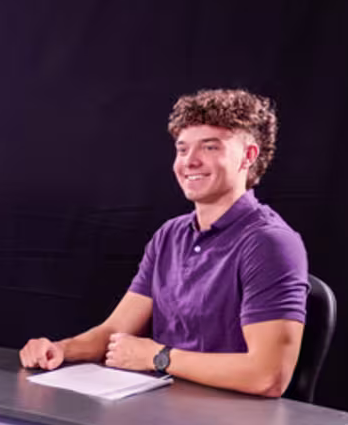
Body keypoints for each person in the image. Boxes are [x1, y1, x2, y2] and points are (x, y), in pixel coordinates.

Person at [19, 88, 308, 396]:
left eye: (210, 148)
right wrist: (60, 349)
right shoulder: (170, 235)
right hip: (162, 407)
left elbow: (268, 376)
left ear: (248, 156)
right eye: (183, 150)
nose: (191, 161)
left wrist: (159, 356)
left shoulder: (269, 243)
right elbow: (114, 331)